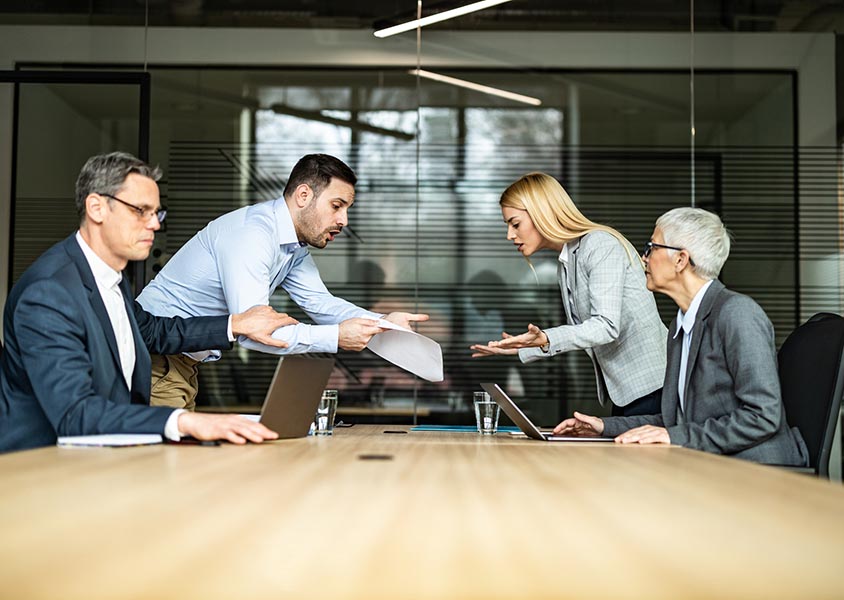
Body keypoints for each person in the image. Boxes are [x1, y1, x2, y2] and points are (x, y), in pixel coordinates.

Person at [0, 152, 299, 452]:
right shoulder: (48, 293)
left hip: (105, 459)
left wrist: (234, 324)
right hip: (42, 468)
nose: (154, 224)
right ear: (96, 208)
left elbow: (154, 331)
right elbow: (75, 414)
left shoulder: (110, 279)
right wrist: (181, 421)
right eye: (140, 211)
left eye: (157, 213)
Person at [137, 153, 427, 409]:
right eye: (337, 206)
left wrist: (383, 322)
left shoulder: (292, 246)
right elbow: (256, 333)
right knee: (164, 463)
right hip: (158, 356)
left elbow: (320, 302)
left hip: (180, 362)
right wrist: (336, 337)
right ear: (303, 195)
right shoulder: (253, 235)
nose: (344, 220)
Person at [554, 207, 809, 466]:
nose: (644, 258)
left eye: (651, 247)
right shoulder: (680, 325)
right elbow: (673, 420)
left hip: (756, 469)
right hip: (710, 463)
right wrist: (603, 427)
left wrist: (674, 435)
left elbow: (763, 416)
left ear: (680, 260)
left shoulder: (737, 314)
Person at [470, 172, 666, 417]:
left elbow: (606, 326)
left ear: (542, 212)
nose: (509, 235)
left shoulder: (599, 245)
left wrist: (546, 338)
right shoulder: (567, 260)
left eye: (515, 223)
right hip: (630, 392)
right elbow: (585, 332)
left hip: (653, 390)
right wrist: (524, 347)